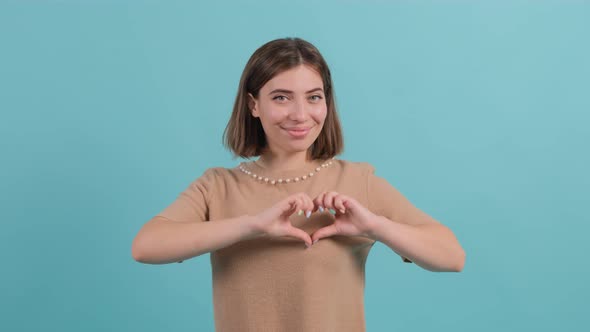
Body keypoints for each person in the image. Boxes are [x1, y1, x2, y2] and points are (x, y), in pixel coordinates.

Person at [131, 37, 466, 332]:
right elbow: (146, 246)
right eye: (281, 97)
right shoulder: (218, 187)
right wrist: (252, 225)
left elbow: (452, 256)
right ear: (253, 105)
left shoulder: (356, 181)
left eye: (314, 97)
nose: (300, 114)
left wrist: (375, 226)